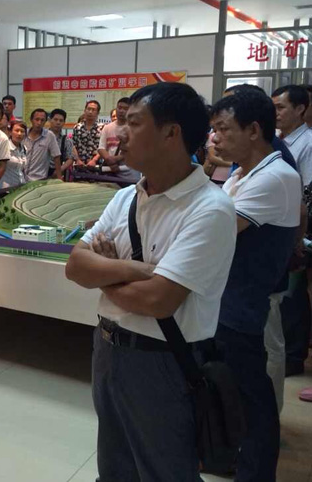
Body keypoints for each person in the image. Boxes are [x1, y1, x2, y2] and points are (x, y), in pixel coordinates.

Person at [65, 82, 237, 481]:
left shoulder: (209, 209)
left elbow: (158, 300)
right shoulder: (126, 198)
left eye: (133, 122)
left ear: (171, 133)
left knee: (164, 471)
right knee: (115, 467)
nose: (120, 133)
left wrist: (107, 272)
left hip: (162, 361)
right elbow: (75, 266)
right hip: (107, 348)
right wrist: (135, 270)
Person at [210, 89, 301, 480]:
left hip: (242, 306)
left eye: (223, 129)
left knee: (252, 400)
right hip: (224, 303)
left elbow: (212, 233)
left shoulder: (275, 176)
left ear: (253, 130)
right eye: (213, 129)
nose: (215, 139)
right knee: (232, 394)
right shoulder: (241, 174)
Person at [273, 85, 312, 378]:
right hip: (282, 224)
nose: (275, 113)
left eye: (281, 107)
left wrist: (300, 235)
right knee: (284, 294)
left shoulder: (307, 143)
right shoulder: (279, 140)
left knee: (294, 294)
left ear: (300, 109)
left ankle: (295, 355)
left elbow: (308, 192)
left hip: (298, 227)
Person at [97, 97, 140, 183]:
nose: (121, 111)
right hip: (110, 172)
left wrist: (115, 159)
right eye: (119, 108)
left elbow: (136, 150)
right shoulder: (107, 127)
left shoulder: (135, 128)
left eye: (125, 109)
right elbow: (101, 148)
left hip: (130, 174)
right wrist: (109, 160)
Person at [23, 109, 61, 182]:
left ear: (45, 121)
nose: (39, 123)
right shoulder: (24, 134)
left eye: (42, 120)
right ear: (31, 120)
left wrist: (59, 179)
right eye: (37, 119)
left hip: (39, 180)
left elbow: (56, 157)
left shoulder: (49, 136)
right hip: (21, 179)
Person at [72, 100, 103, 166]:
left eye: (93, 110)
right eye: (88, 109)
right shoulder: (77, 127)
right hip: (80, 165)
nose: (90, 112)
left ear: (98, 113)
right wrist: (77, 160)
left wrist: (94, 160)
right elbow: (73, 145)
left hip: (97, 165)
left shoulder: (102, 128)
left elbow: (104, 147)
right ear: (84, 110)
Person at [0, 121, 28, 190]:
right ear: (10, 132)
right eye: (17, 130)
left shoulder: (24, 148)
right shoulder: (5, 147)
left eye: (22, 131)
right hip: (5, 189)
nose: (19, 134)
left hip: (20, 187)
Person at [48, 108, 75, 179]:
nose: (58, 123)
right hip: (40, 171)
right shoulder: (42, 136)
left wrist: (59, 170)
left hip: (56, 172)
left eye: (61, 120)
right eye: (55, 119)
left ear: (64, 122)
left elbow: (70, 158)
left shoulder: (66, 139)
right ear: (50, 120)